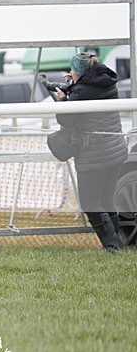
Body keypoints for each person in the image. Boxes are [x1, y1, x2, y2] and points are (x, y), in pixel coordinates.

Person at [54, 52, 127, 253]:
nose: (69, 73)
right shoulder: (107, 83)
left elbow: (65, 120)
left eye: (72, 70)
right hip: (116, 150)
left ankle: (111, 247)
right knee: (106, 200)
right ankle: (117, 244)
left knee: (90, 203)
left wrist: (62, 100)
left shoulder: (81, 92)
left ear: (79, 71)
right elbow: (87, 91)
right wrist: (74, 85)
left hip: (94, 155)